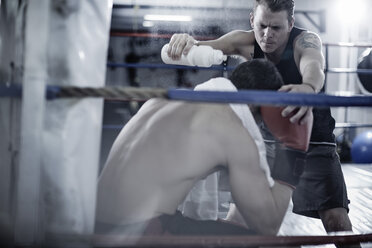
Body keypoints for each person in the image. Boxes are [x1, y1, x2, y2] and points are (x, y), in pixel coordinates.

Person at [167, 0, 354, 236]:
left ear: (291, 24)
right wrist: (186, 41)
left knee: (336, 219)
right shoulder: (244, 41)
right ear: (251, 20)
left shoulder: (304, 40)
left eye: (276, 28)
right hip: (266, 140)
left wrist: (308, 87)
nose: (267, 35)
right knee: (240, 216)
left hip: (313, 139)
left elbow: (314, 64)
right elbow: (200, 47)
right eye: (262, 26)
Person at [95, 59, 308, 236]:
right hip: (136, 235)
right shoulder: (230, 128)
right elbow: (267, 226)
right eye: (261, 123)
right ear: (256, 106)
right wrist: (293, 151)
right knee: (256, 241)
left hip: (93, 224)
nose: (258, 130)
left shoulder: (162, 101)